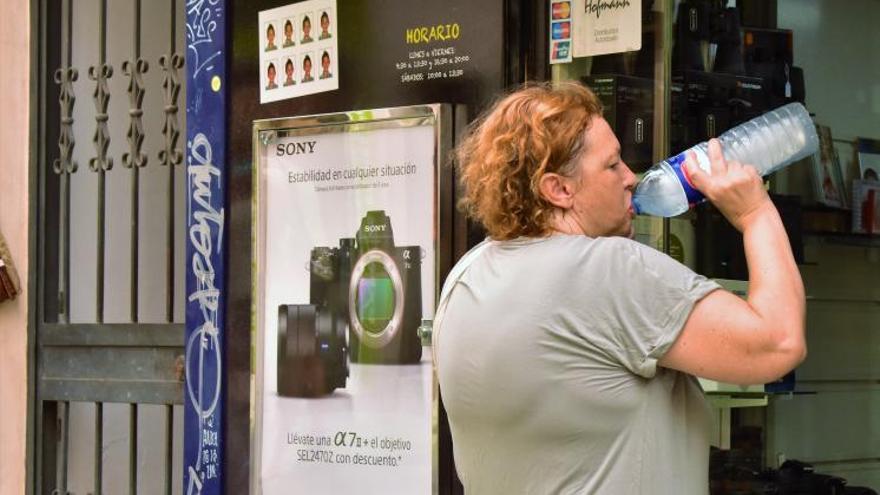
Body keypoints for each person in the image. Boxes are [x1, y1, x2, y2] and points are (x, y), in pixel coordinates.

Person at [434, 82, 806, 494]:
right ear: (558, 189)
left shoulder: (464, 276)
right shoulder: (608, 270)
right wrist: (755, 213)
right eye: (612, 166)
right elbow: (778, 344)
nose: (631, 177)